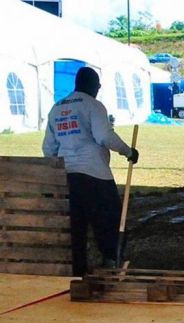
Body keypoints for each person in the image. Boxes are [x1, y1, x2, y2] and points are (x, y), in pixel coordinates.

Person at [42, 66, 139, 276]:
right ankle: (111, 263)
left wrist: (54, 177)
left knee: (76, 227)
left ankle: (78, 271)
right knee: (108, 221)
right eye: (98, 85)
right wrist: (128, 152)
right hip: (95, 175)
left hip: (68, 177)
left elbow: (48, 148)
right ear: (92, 85)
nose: (98, 89)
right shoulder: (93, 106)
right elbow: (104, 136)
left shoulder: (57, 108)